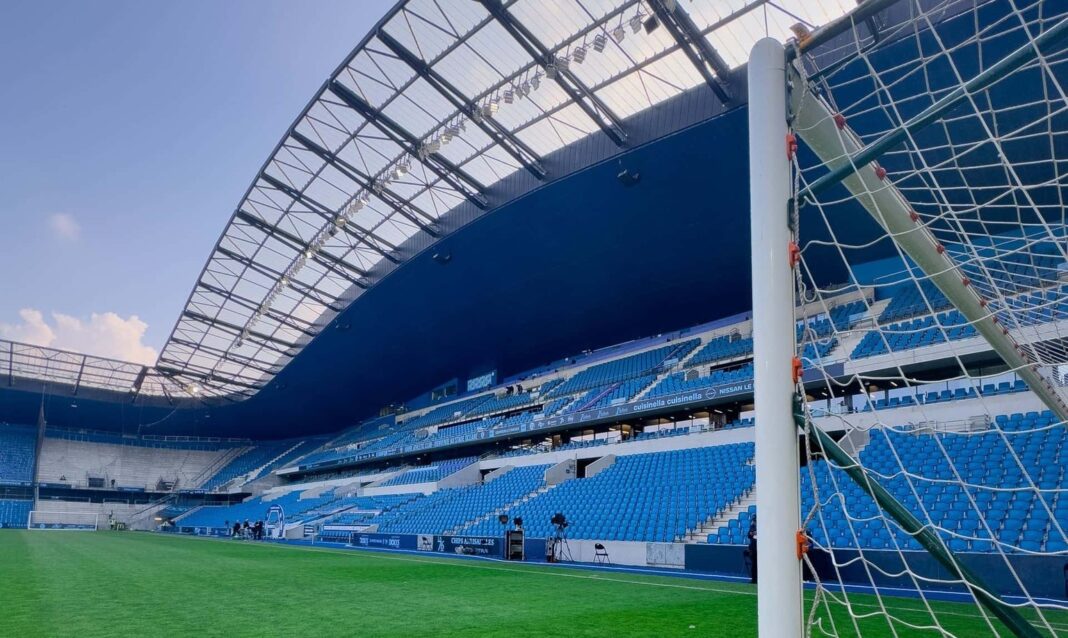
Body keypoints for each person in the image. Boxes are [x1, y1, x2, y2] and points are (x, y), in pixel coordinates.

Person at [747, 516, 758, 584]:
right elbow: (749, 535)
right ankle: (754, 579)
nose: (754, 522)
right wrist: (752, 533)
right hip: (753, 548)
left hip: (759, 547)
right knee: (754, 564)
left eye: (754, 521)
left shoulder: (762, 526)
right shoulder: (752, 526)